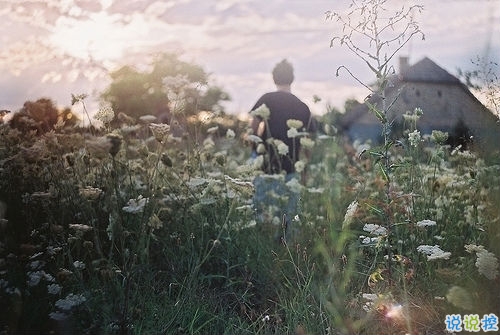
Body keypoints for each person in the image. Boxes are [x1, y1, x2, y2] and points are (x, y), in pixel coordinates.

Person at [249, 59, 316, 241]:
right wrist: (305, 169)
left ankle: (262, 243)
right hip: (291, 168)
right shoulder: (303, 107)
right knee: (288, 213)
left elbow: (253, 129)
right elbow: (308, 143)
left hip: (264, 166)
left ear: (273, 78)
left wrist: (254, 153)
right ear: (292, 79)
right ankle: (285, 248)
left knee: (261, 210)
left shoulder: (266, 99)